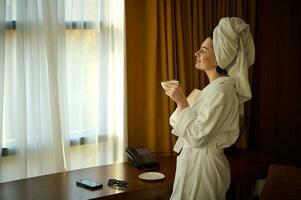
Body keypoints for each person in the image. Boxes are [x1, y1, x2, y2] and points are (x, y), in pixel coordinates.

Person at [162, 17, 255, 200]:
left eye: (203, 50)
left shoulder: (223, 91)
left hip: (205, 168)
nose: (196, 53)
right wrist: (183, 102)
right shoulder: (208, 90)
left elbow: (197, 136)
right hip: (192, 162)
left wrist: (182, 102)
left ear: (219, 57)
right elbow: (174, 122)